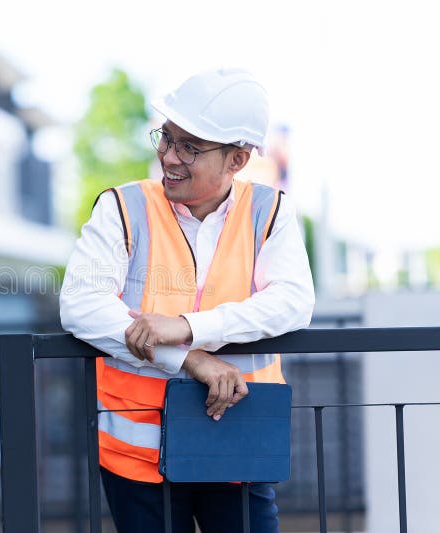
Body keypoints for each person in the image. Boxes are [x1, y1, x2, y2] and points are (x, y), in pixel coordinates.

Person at [59, 68, 315, 533]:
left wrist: (191, 326)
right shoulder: (122, 207)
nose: (169, 156)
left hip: (236, 437)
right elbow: (80, 303)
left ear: (237, 160)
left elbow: (293, 300)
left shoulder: (270, 211)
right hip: (140, 454)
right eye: (166, 138)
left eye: (189, 147)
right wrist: (189, 358)